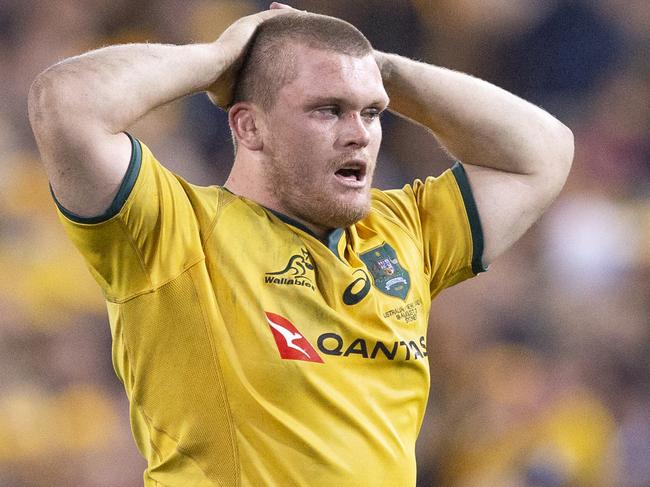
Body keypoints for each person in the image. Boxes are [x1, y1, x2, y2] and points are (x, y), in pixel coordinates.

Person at [27, 2, 573, 486]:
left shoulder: (402, 230)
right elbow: (63, 102)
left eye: (371, 112)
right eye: (328, 109)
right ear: (249, 128)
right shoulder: (175, 231)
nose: (359, 132)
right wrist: (222, 58)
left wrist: (379, 69)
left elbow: (544, 152)